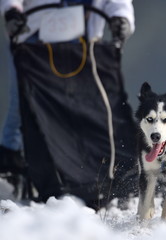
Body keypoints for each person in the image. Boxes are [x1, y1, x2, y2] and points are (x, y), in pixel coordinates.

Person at [0, 0, 135, 202]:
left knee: (79, 103)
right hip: (32, 34)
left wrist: (122, 16)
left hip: (82, 36)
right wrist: (11, 11)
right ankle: (12, 164)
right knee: (23, 102)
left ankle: (77, 169)